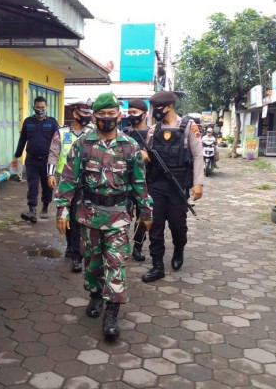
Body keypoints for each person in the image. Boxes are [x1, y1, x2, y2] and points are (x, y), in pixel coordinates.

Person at [55, 92, 153, 339]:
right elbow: (68, 179)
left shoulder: (130, 146)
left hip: (119, 216)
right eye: (101, 114)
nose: (107, 118)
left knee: (116, 263)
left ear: (119, 115)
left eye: (111, 114)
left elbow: (140, 183)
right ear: (94, 117)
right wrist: (62, 210)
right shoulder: (83, 145)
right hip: (89, 214)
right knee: (93, 263)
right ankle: (96, 295)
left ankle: (112, 312)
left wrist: (146, 211)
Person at [141, 90, 204, 283]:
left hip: (178, 182)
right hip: (157, 183)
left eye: (158, 108)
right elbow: (147, 153)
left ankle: (179, 249)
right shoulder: (154, 129)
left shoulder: (188, 126)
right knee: (155, 223)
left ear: (169, 107)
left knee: (178, 224)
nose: (155, 112)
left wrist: (198, 184)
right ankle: (157, 264)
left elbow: (198, 155)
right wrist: (144, 156)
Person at [47, 99, 94, 273]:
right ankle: (73, 250)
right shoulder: (62, 133)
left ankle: (78, 252)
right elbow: (53, 154)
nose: (87, 118)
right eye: (84, 114)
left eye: (89, 115)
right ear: (75, 114)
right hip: (66, 181)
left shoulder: (92, 133)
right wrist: (50, 174)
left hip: (88, 181)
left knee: (81, 219)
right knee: (68, 216)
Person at [11, 96, 59, 223]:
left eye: (43, 107)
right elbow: (22, 141)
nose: (40, 110)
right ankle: (32, 210)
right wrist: (16, 157)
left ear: (46, 107)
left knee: (47, 186)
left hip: (47, 161)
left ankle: (45, 207)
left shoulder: (53, 123)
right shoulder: (28, 122)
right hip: (31, 160)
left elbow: (57, 142)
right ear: (34, 108)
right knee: (32, 186)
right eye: (38, 107)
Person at [122, 98, 151, 262]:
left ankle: (138, 246)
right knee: (123, 215)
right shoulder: (125, 133)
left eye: (134, 112)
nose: (131, 115)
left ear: (144, 114)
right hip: (125, 182)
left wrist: (148, 156)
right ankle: (122, 244)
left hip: (145, 183)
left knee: (143, 215)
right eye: (129, 112)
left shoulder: (152, 133)